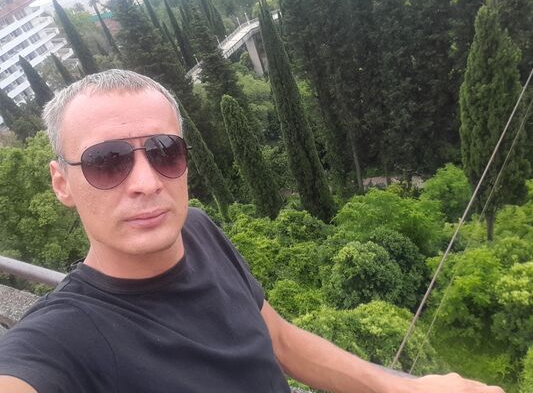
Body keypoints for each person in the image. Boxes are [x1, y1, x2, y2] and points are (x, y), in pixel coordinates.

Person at [0, 70, 504, 393]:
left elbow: (279, 341)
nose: (147, 182)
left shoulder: (198, 230)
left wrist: (405, 387)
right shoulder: (60, 340)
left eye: (164, 152)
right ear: (62, 183)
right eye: (107, 162)